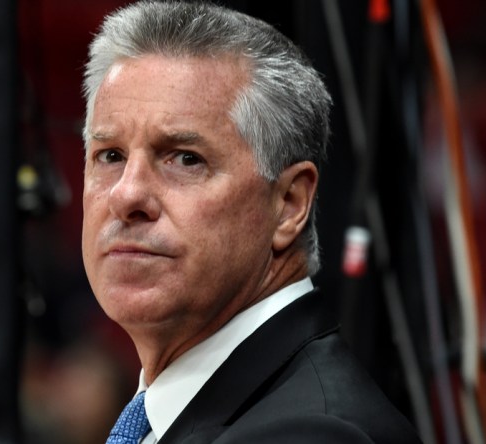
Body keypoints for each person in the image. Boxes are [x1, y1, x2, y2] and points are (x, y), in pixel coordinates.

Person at [80, 1, 422, 443]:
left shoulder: (312, 435)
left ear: (290, 203)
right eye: (110, 155)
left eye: (186, 159)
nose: (127, 196)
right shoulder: (181, 414)